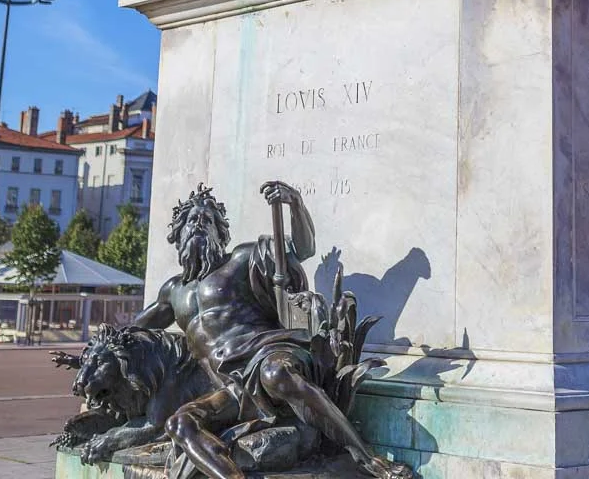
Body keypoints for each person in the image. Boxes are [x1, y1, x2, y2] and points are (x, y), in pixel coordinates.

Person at [134, 181, 408, 479]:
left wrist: (295, 204)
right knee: (180, 423)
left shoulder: (240, 260)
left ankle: (367, 459)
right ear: (177, 233)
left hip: (267, 353)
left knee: (275, 374)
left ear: (221, 232)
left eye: (208, 220)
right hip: (228, 384)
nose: (199, 224)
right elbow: (134, 333)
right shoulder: (173, 291)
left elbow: (303, 248)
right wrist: (97, 349)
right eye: (191, 220)